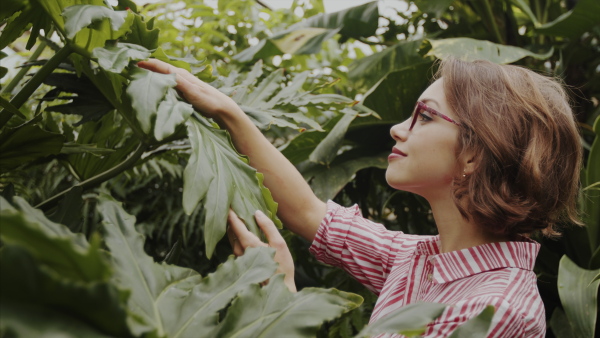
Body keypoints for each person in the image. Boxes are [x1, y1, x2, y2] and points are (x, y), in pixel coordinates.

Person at [138, 58, 582, 337]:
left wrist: (280, 302)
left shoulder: (494, 311)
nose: (397, 129)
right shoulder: (420, 260)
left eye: (424, 116)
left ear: (474, 154)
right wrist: (227, 112)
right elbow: (310, 213)